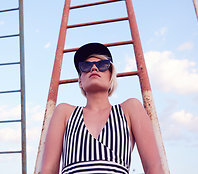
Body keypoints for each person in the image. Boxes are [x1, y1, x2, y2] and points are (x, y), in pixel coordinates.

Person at [41, 43, 163, 174]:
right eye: (86, 66)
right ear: (80, 81)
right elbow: (48, 170)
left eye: (103, 65)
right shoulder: (64, 112)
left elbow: (153, 167)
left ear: (111, 76)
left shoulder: (130, 109)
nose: (94, 68)